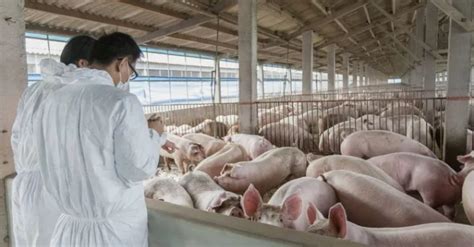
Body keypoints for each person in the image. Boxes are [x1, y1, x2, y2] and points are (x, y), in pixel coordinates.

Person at [34, 32, 175, 247]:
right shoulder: (122, 102)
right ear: (122, 63)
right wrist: (154, 134)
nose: (127, 77)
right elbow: (137, 168)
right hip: (114, 233)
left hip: (68, 228)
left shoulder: (53, 101)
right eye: (131, 70)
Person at [11, 35, 96, 246]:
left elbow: (17, 136)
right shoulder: (73, 90)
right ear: (83, 63)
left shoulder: (34, 90)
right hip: (51, 189)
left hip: (23, 183)